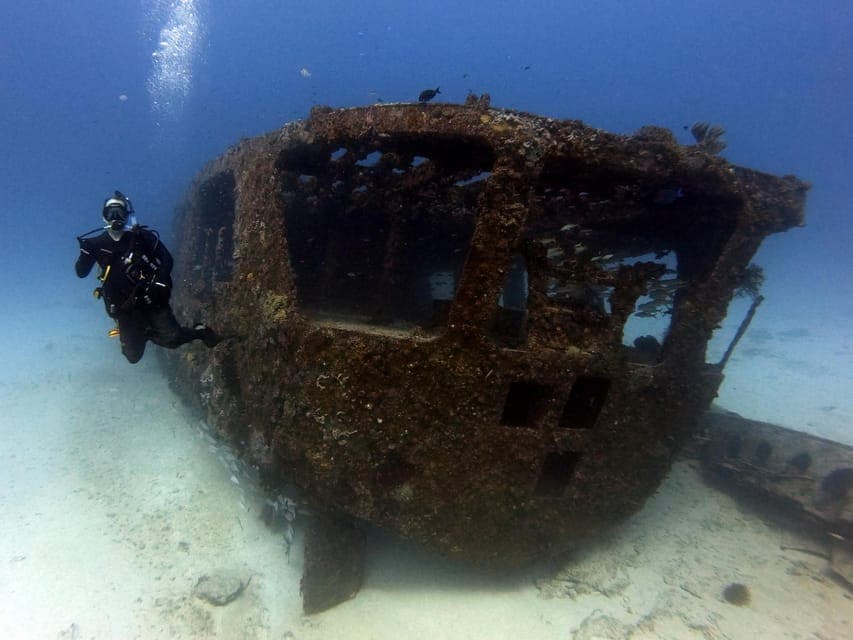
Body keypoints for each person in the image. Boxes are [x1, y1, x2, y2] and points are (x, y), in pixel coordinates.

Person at [76, 190, 223, 363]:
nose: (115, 217)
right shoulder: (94, 244)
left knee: (173, 339)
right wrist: (84, 255)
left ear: (127, 215)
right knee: (132, 356)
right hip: (124, 307)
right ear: (104, 217)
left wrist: (160, 281)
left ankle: (200, 331)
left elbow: (167, 259)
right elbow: (81, 273)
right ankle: (145, 332)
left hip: (151, 298)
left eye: (119, 212)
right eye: (111, 213)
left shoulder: (142, 237)